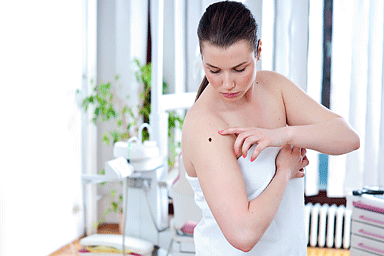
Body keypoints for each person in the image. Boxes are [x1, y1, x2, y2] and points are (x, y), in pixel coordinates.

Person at [181, 1, 360, 255]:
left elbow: (348, 137)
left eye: (239, 68)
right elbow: (243, 234)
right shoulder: (205, 125)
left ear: (259, 50)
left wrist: (283, 134)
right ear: (202, 59)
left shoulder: (275, 88)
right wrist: (284, 170)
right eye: (214, 70)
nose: (227, 83)